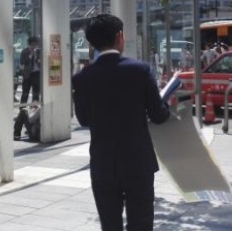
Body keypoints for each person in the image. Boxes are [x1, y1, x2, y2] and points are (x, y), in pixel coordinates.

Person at [72, 14, 170, 231]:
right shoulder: (140, 70)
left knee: (110, 225)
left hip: (103, 163)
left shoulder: (82, 78)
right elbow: (159, 115)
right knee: (141, 223)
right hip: (138, 162)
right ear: (119, 37)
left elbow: (83, 119)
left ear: (91, 43)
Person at [18, 36, 41, 104]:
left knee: (36, 92)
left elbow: (42, 62)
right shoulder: (25, 51)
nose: (34, 46)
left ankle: (35, 106)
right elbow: (22, 62)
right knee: (25, 92)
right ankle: (22, 108)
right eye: (32, 44)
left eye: (35, 44)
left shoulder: (39, 51)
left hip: (36, 73)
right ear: (29, 44)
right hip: (27, 74)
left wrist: (38, 59)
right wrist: (30, 55)